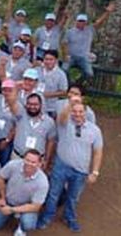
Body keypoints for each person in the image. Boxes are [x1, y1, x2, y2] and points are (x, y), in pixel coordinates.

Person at [38, 99, 103, 232]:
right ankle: (47, 217)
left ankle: (69, 217)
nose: (77, 114)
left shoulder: (94, 130)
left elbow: (98, 152)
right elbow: (61, 117)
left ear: (86, 113)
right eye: (75, 111)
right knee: (53, 194)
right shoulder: (65, 124)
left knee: (73, 197)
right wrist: (70, 104)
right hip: (61, 165)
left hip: (81, 170)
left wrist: (95, 172)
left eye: (80, 111)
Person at [0, 149, 49, 234]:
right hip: (8, 200)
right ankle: (10, 215)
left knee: (28, 224)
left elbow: (36, 206)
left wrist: (12, 210)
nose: (29, 164)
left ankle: (21, 227)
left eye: (33, 162)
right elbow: (1, 177)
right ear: (23, 159)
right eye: (27, 160)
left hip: (26, 206)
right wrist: (2, 197)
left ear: (39, 164)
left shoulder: (43, 182)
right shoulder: (13, 165)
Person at [62, 4, 114, 80]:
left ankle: (78, 84)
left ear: (86, 22)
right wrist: (66, 55)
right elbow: (64, 43)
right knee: (64, 70)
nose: (81, 23)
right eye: (80, 21)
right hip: (71, 56)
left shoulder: (89, 30)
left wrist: (107, 12)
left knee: (89, 74)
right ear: (76, 21)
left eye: (83, 21)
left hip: (84, 57)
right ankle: (69, 84)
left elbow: (99, 22)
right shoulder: (70, 32)